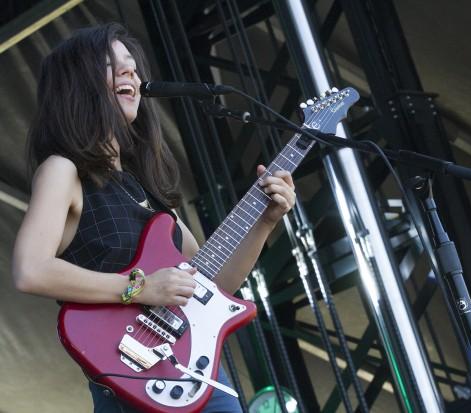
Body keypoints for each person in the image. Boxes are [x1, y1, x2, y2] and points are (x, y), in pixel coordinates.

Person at [11, 23, 296, 413]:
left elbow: (211, 285)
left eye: (133, 65)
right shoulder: (64, 171)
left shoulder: (147, 188)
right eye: (113, 65)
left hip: (195, 375)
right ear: (77, 83)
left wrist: (266, 221)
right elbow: (31, 270)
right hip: (129, 376)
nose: (131, 72)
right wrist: (139, 289)